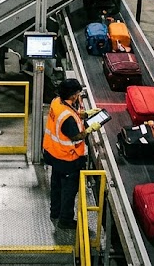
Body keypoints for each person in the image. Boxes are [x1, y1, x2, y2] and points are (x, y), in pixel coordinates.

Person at [43, 79, 102, 230]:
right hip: (67, 159)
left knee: (56, 185)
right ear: (74, 96)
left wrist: (85, 114)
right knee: (68, 191)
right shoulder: (68, 118)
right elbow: (76, 136)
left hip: (54, 154)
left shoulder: (57, 102)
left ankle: (55, 212)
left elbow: (69, 113)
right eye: (78, 93)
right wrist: (90, 129)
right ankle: (65, 220)